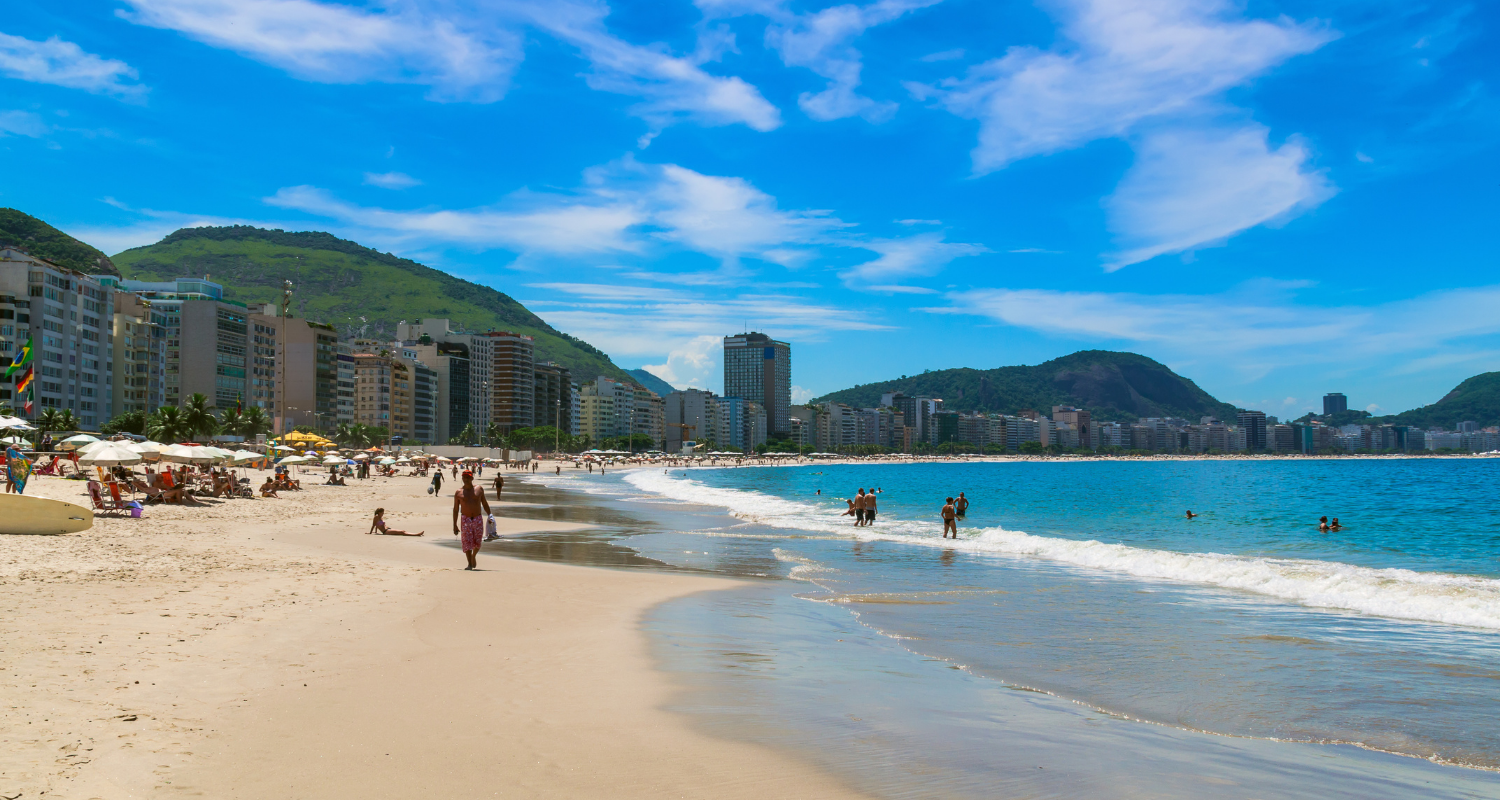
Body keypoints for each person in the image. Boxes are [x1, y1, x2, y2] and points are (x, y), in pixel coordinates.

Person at [452, 470, 491, 570]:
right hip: (465, 519)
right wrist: (454, 524)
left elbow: (485, 503)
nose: (466, 479)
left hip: (477, 518)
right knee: (466, 542)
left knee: (478, 541)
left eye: (468, 477)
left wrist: (490, 516)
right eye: (464, 477)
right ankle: (469, 563)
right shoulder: (458, 492)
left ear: (472, 478)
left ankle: (473, 556)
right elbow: (456, 509)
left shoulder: (479, 489)